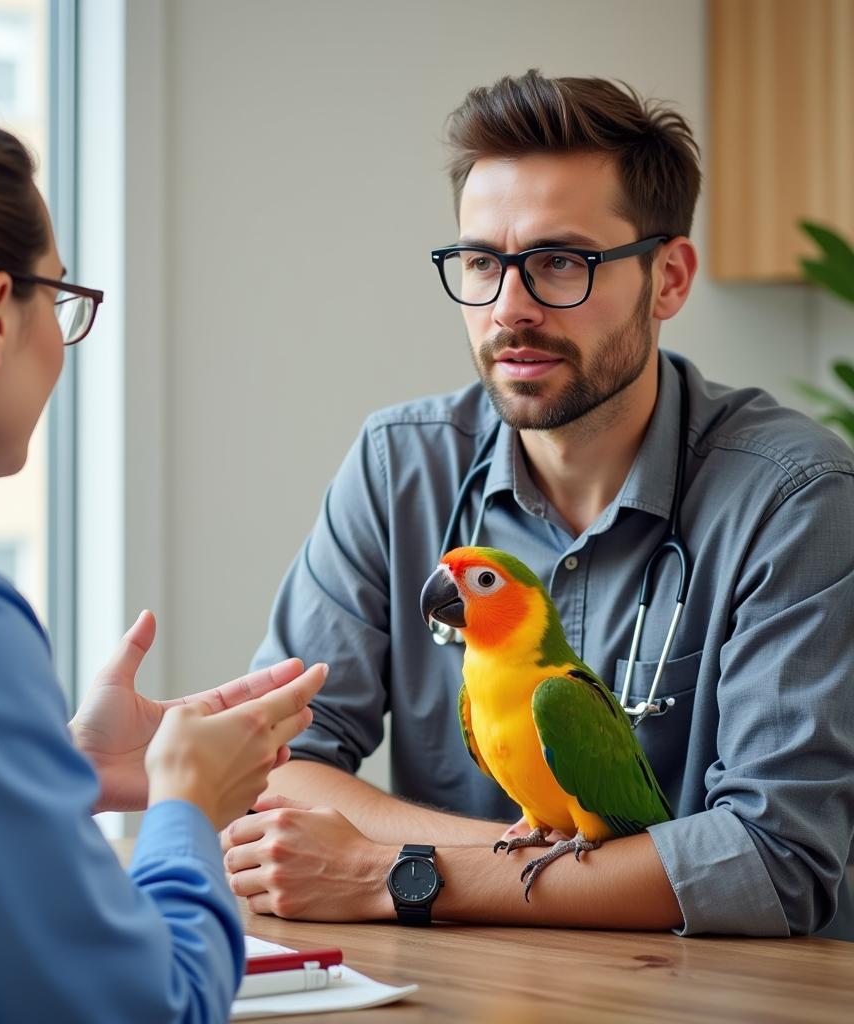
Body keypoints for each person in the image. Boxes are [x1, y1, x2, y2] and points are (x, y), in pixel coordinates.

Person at [222, 70, 854, 939]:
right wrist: (518, 860)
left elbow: (776, 865)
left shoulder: (795, 497)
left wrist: (404, 876)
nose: (509, 309)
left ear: (668, 280)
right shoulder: (399, 466)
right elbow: (275, 769)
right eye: (481, 262)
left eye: (561, 261)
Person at [0, 91, 326, 1023]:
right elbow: (144, 1011)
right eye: (58, 295)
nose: (63, 339)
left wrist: (62, 771)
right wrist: (183, 809)